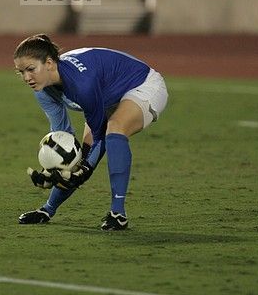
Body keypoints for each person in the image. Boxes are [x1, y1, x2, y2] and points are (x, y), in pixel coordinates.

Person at [13, 34, 168, 230]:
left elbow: (99, 137)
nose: (27, 78)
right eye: (21, 72)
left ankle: (118, 214)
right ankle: (47, 209)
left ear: (49, 63)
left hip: (142, 84)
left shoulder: (81, 85)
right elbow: (65, 141)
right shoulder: (43, 91)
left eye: (31, 69)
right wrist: (54, 170)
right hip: (106, 94)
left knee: (114, 131)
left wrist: (84, 169)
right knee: (79, 160)